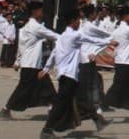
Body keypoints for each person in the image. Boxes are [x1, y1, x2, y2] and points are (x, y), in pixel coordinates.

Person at [39, 9, 116, 139]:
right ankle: (46, 130)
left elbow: (53, 54)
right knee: (61, 103)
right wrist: (109, 42)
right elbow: (91, 39)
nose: (80, 22)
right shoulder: (75, 35)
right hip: (69, 76)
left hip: (65, 75)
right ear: (73, 21)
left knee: (79, 99)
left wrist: (46, 69)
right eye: (78, 20)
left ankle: (98, 120)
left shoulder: (62, 36)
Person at [0, 0, 60, 119]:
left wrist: (18, 61)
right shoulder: (36, 27)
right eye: (41, 10)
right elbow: (54, 36)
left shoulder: (25, 27)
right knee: (24, 89)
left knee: (46, 86)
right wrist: (70, 38)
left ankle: (52, 108)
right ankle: (6, 109)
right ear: (35, 12)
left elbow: (21, 46)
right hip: (32, 65)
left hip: (31, 64)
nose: (42, 13)